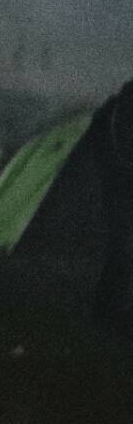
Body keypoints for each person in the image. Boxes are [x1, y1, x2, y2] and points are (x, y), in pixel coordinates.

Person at [88, 79, 133, 333]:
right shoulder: (120, 114)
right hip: (120, 187)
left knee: (120, 251)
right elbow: (120, 153)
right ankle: (110, 312)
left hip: (117, 185)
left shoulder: (113, 110)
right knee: (121, 251)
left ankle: (109, 310)